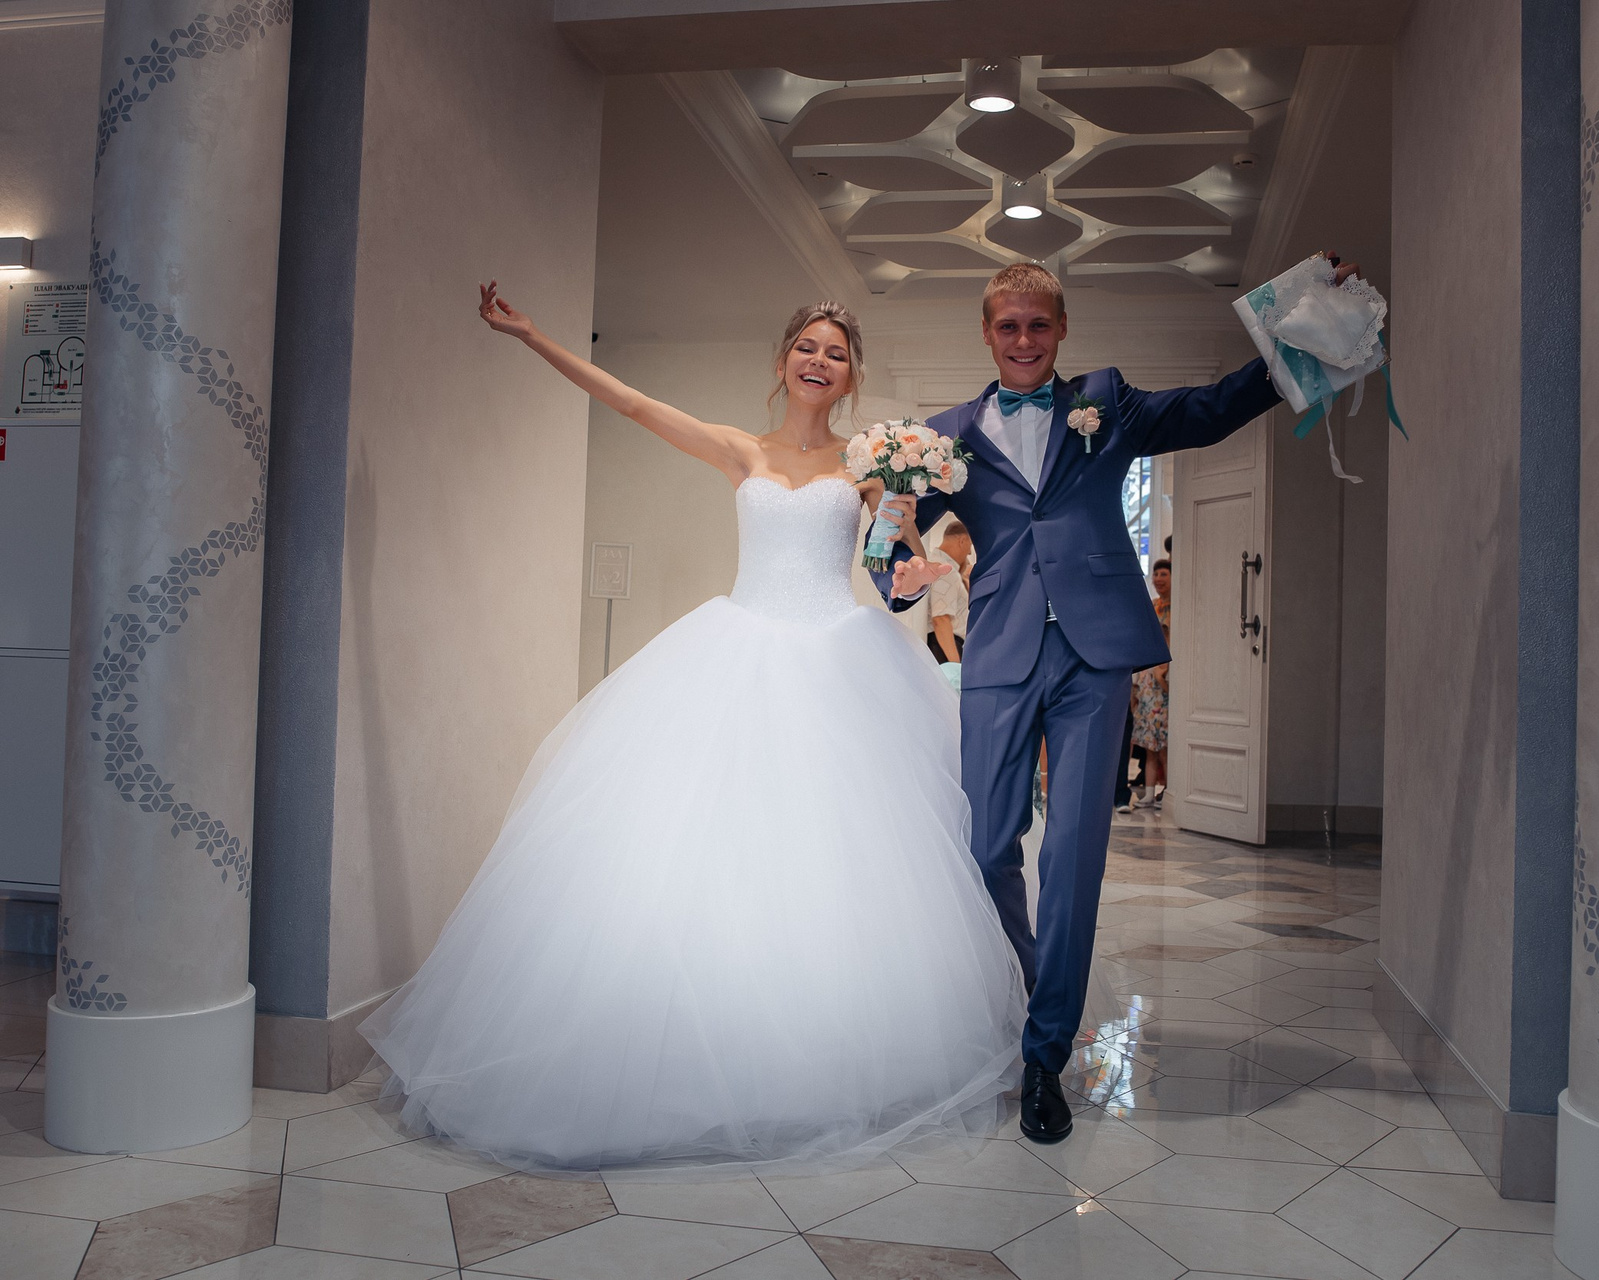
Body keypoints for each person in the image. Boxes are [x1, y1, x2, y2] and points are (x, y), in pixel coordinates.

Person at [359, 288, 1026, 1174]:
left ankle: (814, 1054)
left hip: (840, 661)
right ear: (784, 360)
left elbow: (889, 572)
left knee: (826, 860)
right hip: (738, 647)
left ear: (851, 376)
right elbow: (634, 404)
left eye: (835, 353)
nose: (819, 361)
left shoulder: (869, 466)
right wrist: (533, 338)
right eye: (808, 347)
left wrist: (908, 548)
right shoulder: (741, 449)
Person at [870, 258, 1358, 1143]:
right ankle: (1029, 988)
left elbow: (1211, 408)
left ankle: (1045, 1052)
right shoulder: (943, 436)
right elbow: (892, 538)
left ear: (1061, 330)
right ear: (987, 333)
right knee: (985, 848)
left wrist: (1314, 319)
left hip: (1094, 655)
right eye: (1009, 325)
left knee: (1074, 856)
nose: (1024, 340)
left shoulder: (1107, 402)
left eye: (1039, 325)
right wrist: (893, 564)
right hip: (1001, 648)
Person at [1130, 558, 1173, 808]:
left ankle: (1167, 792)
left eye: (1163, 574)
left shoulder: (1177, 609)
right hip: (1147, 683)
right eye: (1155, 574)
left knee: (1164, 747)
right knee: (1149, 746)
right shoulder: (1153, 607)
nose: (1158, 579)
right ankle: (1148, 793)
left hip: (1165, 681)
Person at [926, 518, 972, 665]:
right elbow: (941, 619)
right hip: (946, 649)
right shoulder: (946, 570)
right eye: (970, 546)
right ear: (962, 541)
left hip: (942, 647)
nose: (970, 552)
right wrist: (955, 665)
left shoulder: (935, 564)